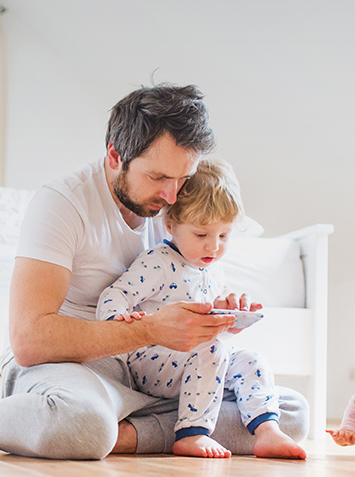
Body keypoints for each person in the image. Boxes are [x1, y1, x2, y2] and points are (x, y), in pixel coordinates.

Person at [0, 83, 309, 459]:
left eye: (183, 178)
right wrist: (149, 329)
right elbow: (28, 342)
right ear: (115, 156)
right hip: (72, 368)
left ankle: (123, 434)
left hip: (153, 372)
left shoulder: (176, 208)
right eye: (159, 178)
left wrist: (216, 316)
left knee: (290, 412)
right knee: (82, 420)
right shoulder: (62, 204)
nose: (172, 197)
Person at [96, 159, 305, 459]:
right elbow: (114, 294)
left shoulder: (212, 269)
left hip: (196, 360)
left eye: (224, 236)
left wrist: (228, 313)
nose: (214, 248)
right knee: (212, 350)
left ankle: (267, 431)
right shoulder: (159, 262)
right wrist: (119, 318)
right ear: (171, 225)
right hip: (152, 359)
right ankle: (192, 433)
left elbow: (209, 317)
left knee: (251, 360)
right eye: (201, 235)